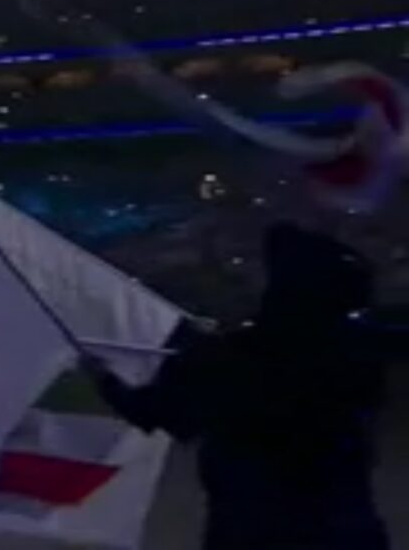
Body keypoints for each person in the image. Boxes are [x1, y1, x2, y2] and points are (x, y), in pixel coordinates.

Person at [81, 223, 389, 550]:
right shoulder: (358, 356)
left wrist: (104, 378)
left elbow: (160, 412)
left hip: (250, 528)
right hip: (346, 529)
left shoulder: (232, 357)